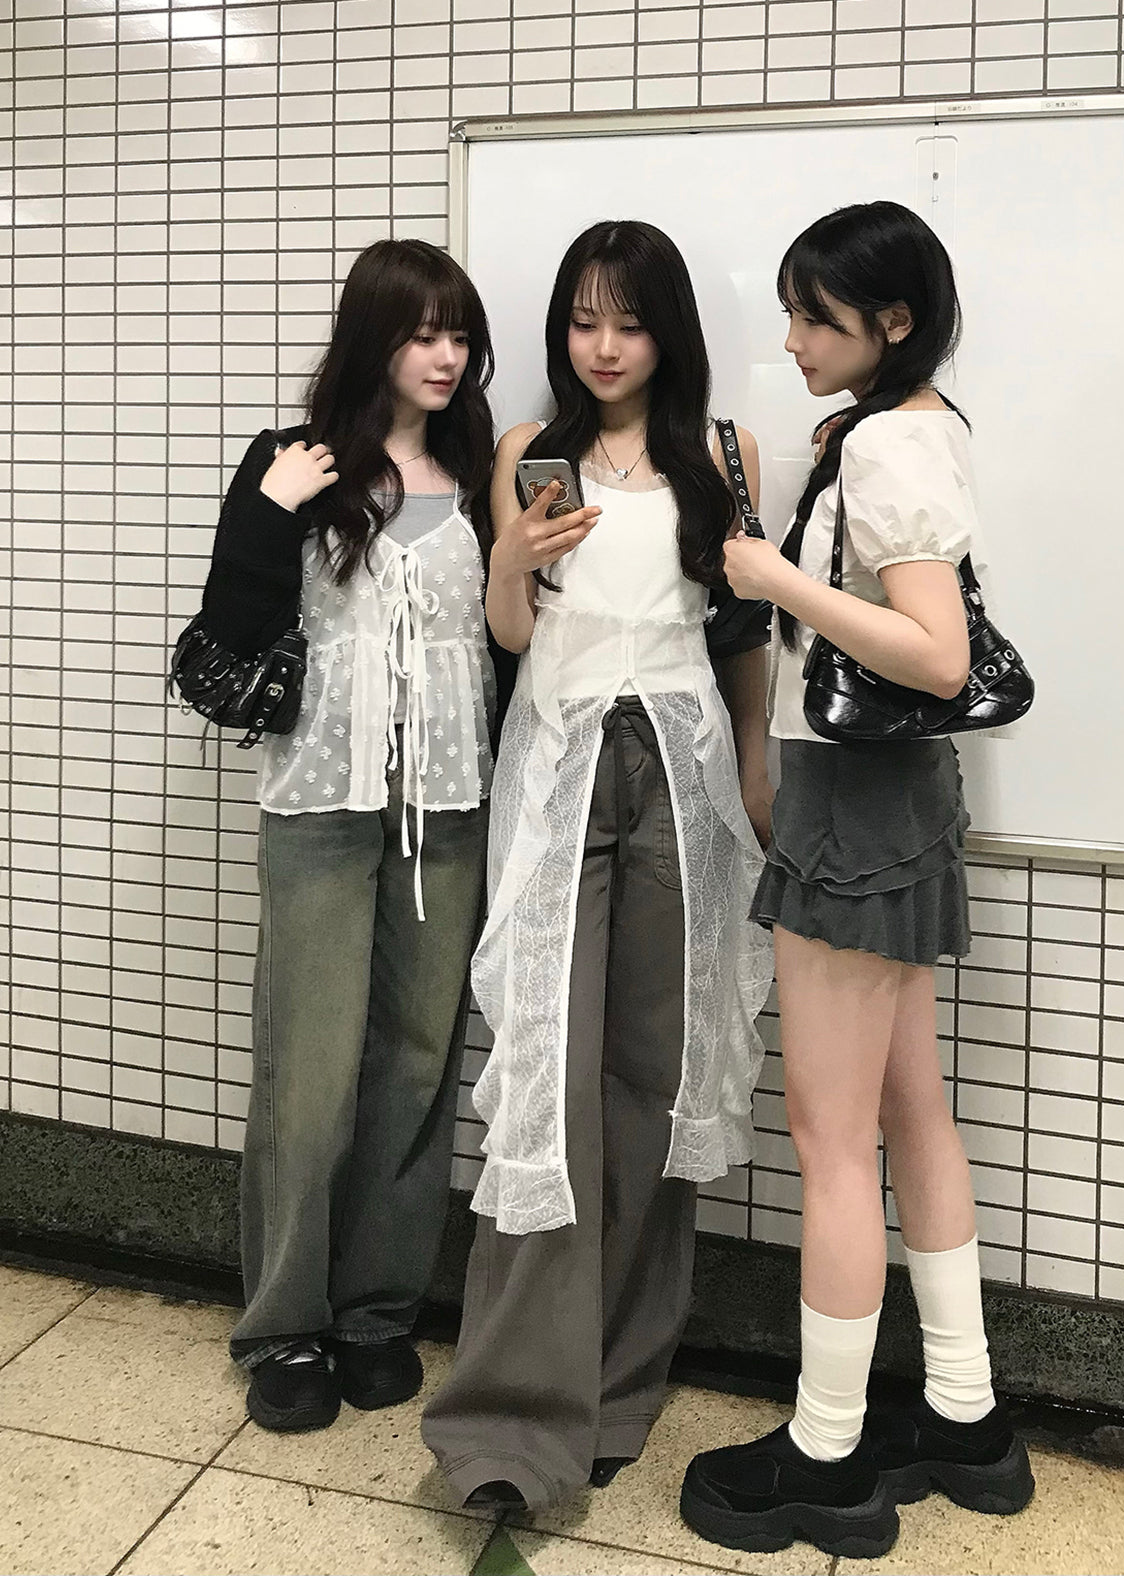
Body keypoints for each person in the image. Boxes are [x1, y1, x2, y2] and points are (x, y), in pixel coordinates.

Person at [680, 201, 1034, 1559]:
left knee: (834, 1139)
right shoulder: (914, 425)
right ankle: (963, 1418)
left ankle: (826, 1454)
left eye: (815, 318)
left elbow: (936, 653)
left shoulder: (887, 442)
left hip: (854, 806)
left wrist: (772, 576)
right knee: (912, 1110)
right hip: (899, 801)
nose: (791, 341)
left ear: (892, 322)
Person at [422, 219, 775, 1510]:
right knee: (547, 1083)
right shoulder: (531, 450)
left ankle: (621, 1382)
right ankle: (509, 1422)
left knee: (650, 1080)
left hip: (683, 777)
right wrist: (511, 563)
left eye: (629, 321)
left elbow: (743, 627)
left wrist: (756, 762)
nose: (605, 345)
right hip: (560, 771)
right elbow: (511, 635)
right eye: (583, 319)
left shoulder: (726, 453)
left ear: (667, 329)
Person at [197, 239, 500, 1432]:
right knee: (310, 1072)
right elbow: (231, 629)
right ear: (373, 337)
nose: (445, 355)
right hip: (321, 804)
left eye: (459, 333)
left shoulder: (483, 471)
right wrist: (268, 514)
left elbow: (507, 640)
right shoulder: (296, 462)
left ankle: (377, 1308)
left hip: (449, 804)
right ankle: (283, 1322)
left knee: (419, 1059)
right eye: (422, 332)